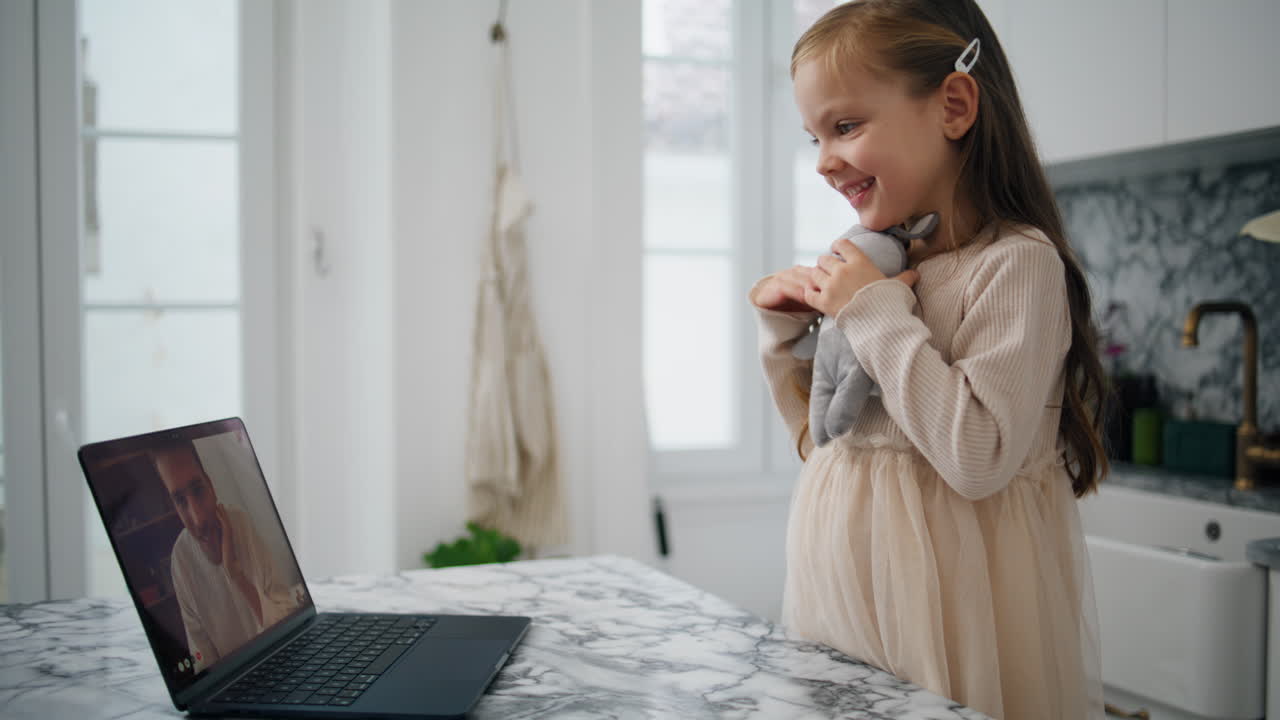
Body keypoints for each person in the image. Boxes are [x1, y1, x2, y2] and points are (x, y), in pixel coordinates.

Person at [750, 2, 1107, 717]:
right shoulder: (878, 274)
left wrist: (871, 313)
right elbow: (827, 440)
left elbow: (977, 458)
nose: (823, 161)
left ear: (953, 104)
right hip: (849, 600)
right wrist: (783, 340)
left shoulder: (1016, 268)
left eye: (846, 126)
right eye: (815, 135)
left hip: (953, 620)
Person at [154, 440, 304, 671]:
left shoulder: (240, 523)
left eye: (198, 489)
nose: (198, 519)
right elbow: (204, 664)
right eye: (180, 501)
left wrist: (236, 575)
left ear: (211, 486)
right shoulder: (181, 560)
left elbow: (286, 616)